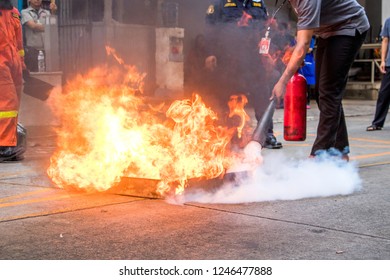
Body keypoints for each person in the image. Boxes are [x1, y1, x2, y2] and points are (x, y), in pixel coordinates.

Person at [271, 0, 369, 160]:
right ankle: (341, 151)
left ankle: (319, 155)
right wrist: (293, 52)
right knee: (324, 93)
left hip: (349, 26)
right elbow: (302, 35)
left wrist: (282, 81)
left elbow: (303, 44)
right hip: (328, 32)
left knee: (329, 93)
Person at [204, 0, 282, 149]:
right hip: (228, 59)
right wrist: (210, 53)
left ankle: (266, 134)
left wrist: (269, 54)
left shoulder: (259, 4)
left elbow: (266, 30)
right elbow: (210, 30)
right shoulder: (221, 4)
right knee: (228, 97)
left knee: (262, 96)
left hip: (254, 59)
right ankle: (231, 134)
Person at [0, 0, 26, 162]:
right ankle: (3, 145)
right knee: (7, 103)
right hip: (1, 64)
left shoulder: (14, 12)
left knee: (14, 103)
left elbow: (18, 42)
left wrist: (22, 64)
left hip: (14, 63)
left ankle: (10, 139)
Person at [366, 17, 390, 131]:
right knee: (383, 93)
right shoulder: (389, 21)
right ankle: (377, 123)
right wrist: (383, 60)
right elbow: (385, 41)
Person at [21, 0, 57, 72]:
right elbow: (33, 26)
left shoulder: (47, 12)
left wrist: (53, 12)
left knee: (48, 73)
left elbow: (53, 26)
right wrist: (48, 26)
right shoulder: (25, 12)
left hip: (46, 50)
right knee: (33, 75)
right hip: (32, 50)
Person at [298, 35, 316, 109]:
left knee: (307, 83)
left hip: (307, 61)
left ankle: (307, 102)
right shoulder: (298, 37)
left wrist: (300, 48)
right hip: (300, 58)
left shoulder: (311, 38)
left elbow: (310, 49)